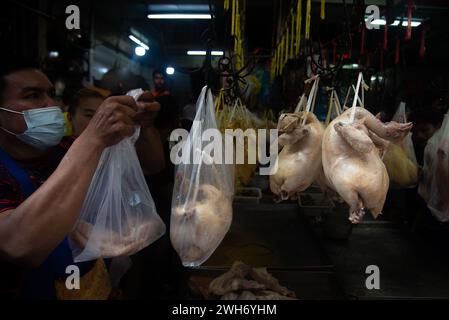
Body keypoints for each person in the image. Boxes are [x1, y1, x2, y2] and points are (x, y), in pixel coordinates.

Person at [0, 56, 164, 299]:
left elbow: (153, 166)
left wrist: (145, 126)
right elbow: (18, 246)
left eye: (51, 94)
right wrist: (93, 139)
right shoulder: (82, 149)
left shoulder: (67, 149)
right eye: (33, 96)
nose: (50, 104)